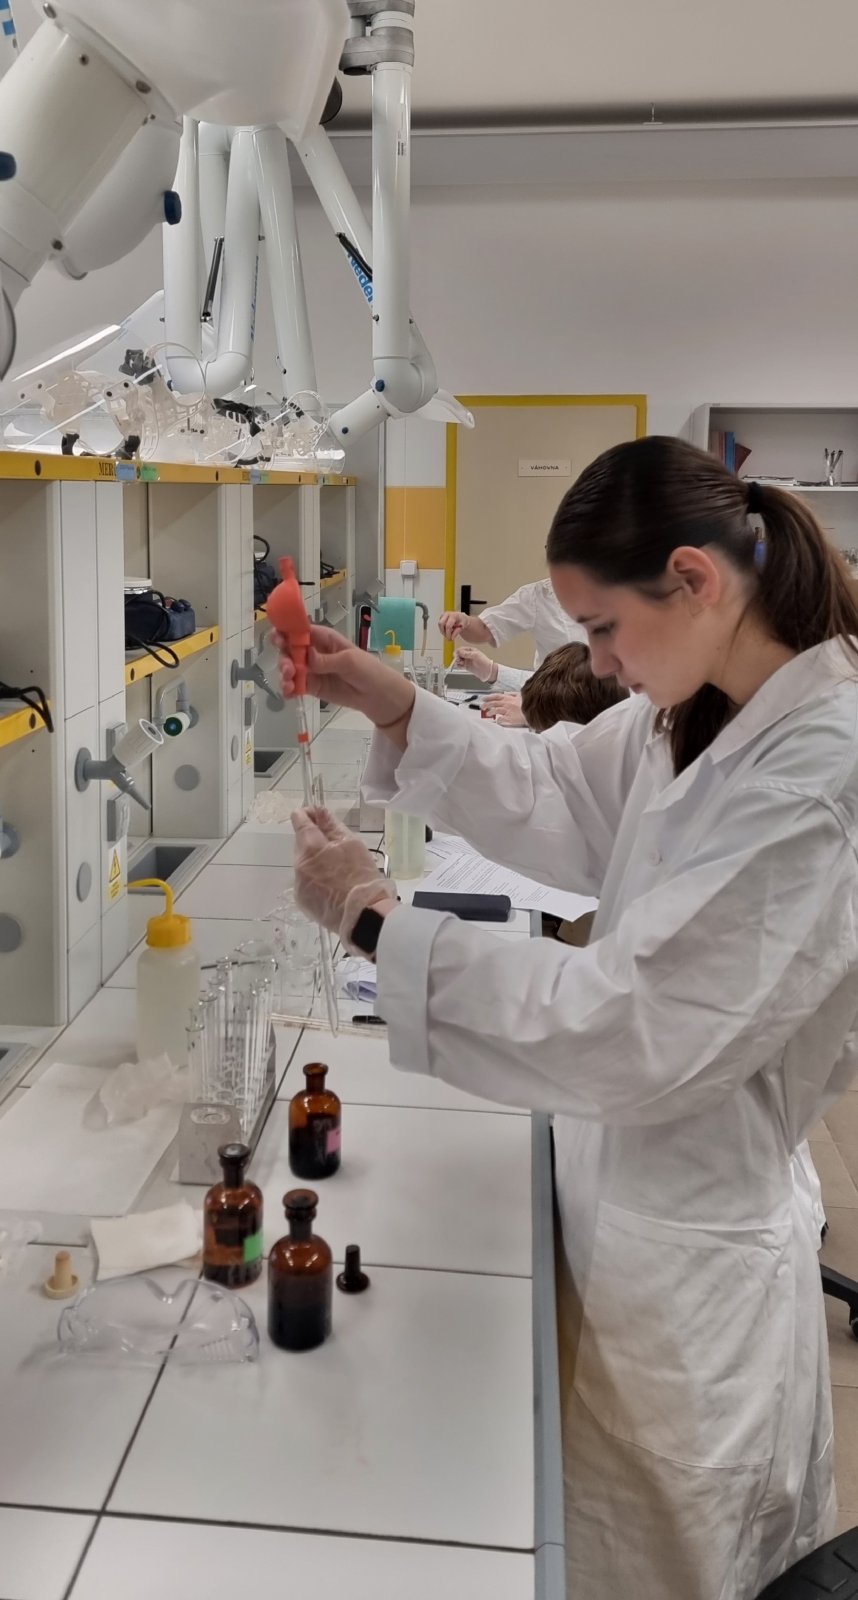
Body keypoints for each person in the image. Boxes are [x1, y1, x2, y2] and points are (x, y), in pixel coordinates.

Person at [276, 435, 858, 1600]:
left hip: (690, 1241)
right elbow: (557, 788)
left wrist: (380, 922)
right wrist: (393, 701)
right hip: (624, 1190)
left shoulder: (816, 774)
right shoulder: (700, 705)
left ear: (694, 578)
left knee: (661, 1560)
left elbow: (630, 1026)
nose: (594, 659)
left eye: (602, 628)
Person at [441, 575, 588, 711]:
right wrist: (492, 671)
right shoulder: (539, 594)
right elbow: (485, 628)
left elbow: (588, 690)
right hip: (554, 706)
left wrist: (531, 712)